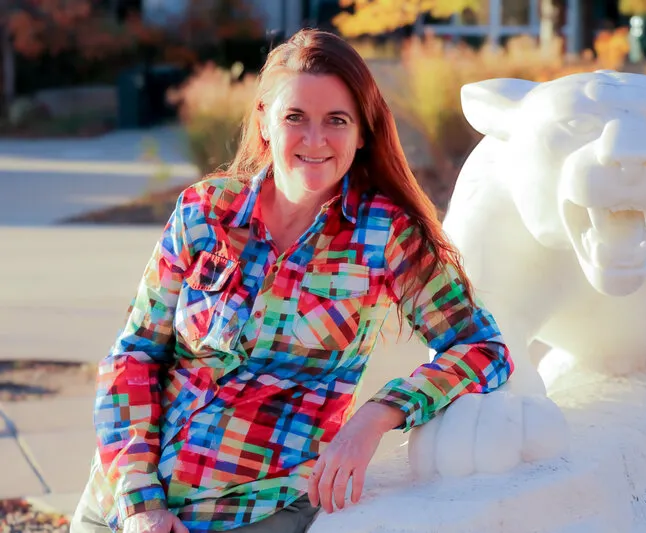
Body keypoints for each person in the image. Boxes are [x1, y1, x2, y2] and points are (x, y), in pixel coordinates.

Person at [70, 28, 514, 533]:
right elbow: (135, 356)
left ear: (363, 131)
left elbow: (481, 349)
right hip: (122, 500)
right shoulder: (204, 211)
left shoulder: (385, 235)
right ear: (264, 120)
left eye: (337, 121)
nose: (315, 139)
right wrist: (139, 501)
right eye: (295, 118)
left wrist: (377, 417)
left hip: (254, 509)